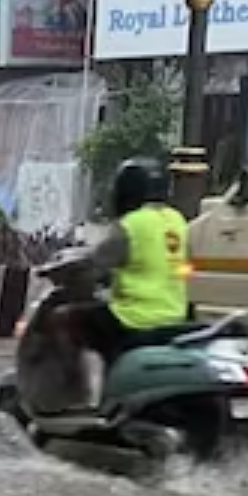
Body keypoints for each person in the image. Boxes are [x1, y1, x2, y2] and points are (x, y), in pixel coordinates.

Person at [78, 158, 191, 368]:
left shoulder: (131, 224)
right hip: (175, 314)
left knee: (76, 321)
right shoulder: (178, 220)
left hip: (134, 318)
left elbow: (95, 264)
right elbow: (182, 266)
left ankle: (99, 383)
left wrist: (80, 271)